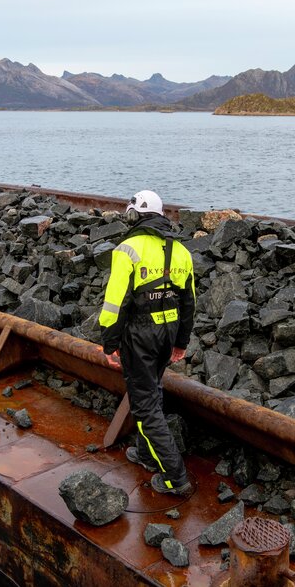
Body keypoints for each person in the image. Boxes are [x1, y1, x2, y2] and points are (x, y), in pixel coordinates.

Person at [100, 190, 196, 495]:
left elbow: (115, 304)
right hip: (167, 332)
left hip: (139, 336)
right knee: (152, 389)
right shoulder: (181, 251)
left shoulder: (127, 249)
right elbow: (189, 303)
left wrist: (109, 343)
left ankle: (175, 477)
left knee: (144, 408)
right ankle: (145, 454)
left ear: (133, 216)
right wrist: (181, 342)